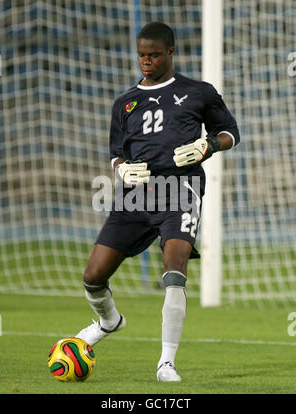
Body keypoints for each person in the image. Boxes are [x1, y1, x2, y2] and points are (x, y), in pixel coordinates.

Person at [76, 21, 240, 382]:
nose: (146, 61)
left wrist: (208, 145)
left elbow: (231, 132)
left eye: (153, 55)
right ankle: (109, 322)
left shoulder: (199, 92)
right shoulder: (124, 103)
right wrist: (120, 170)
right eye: (141, 56)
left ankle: (166, 362)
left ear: (170, 52)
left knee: (174, 270)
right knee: (93, 276)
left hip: (180, 191)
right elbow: (116, 153)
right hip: (135, 198)